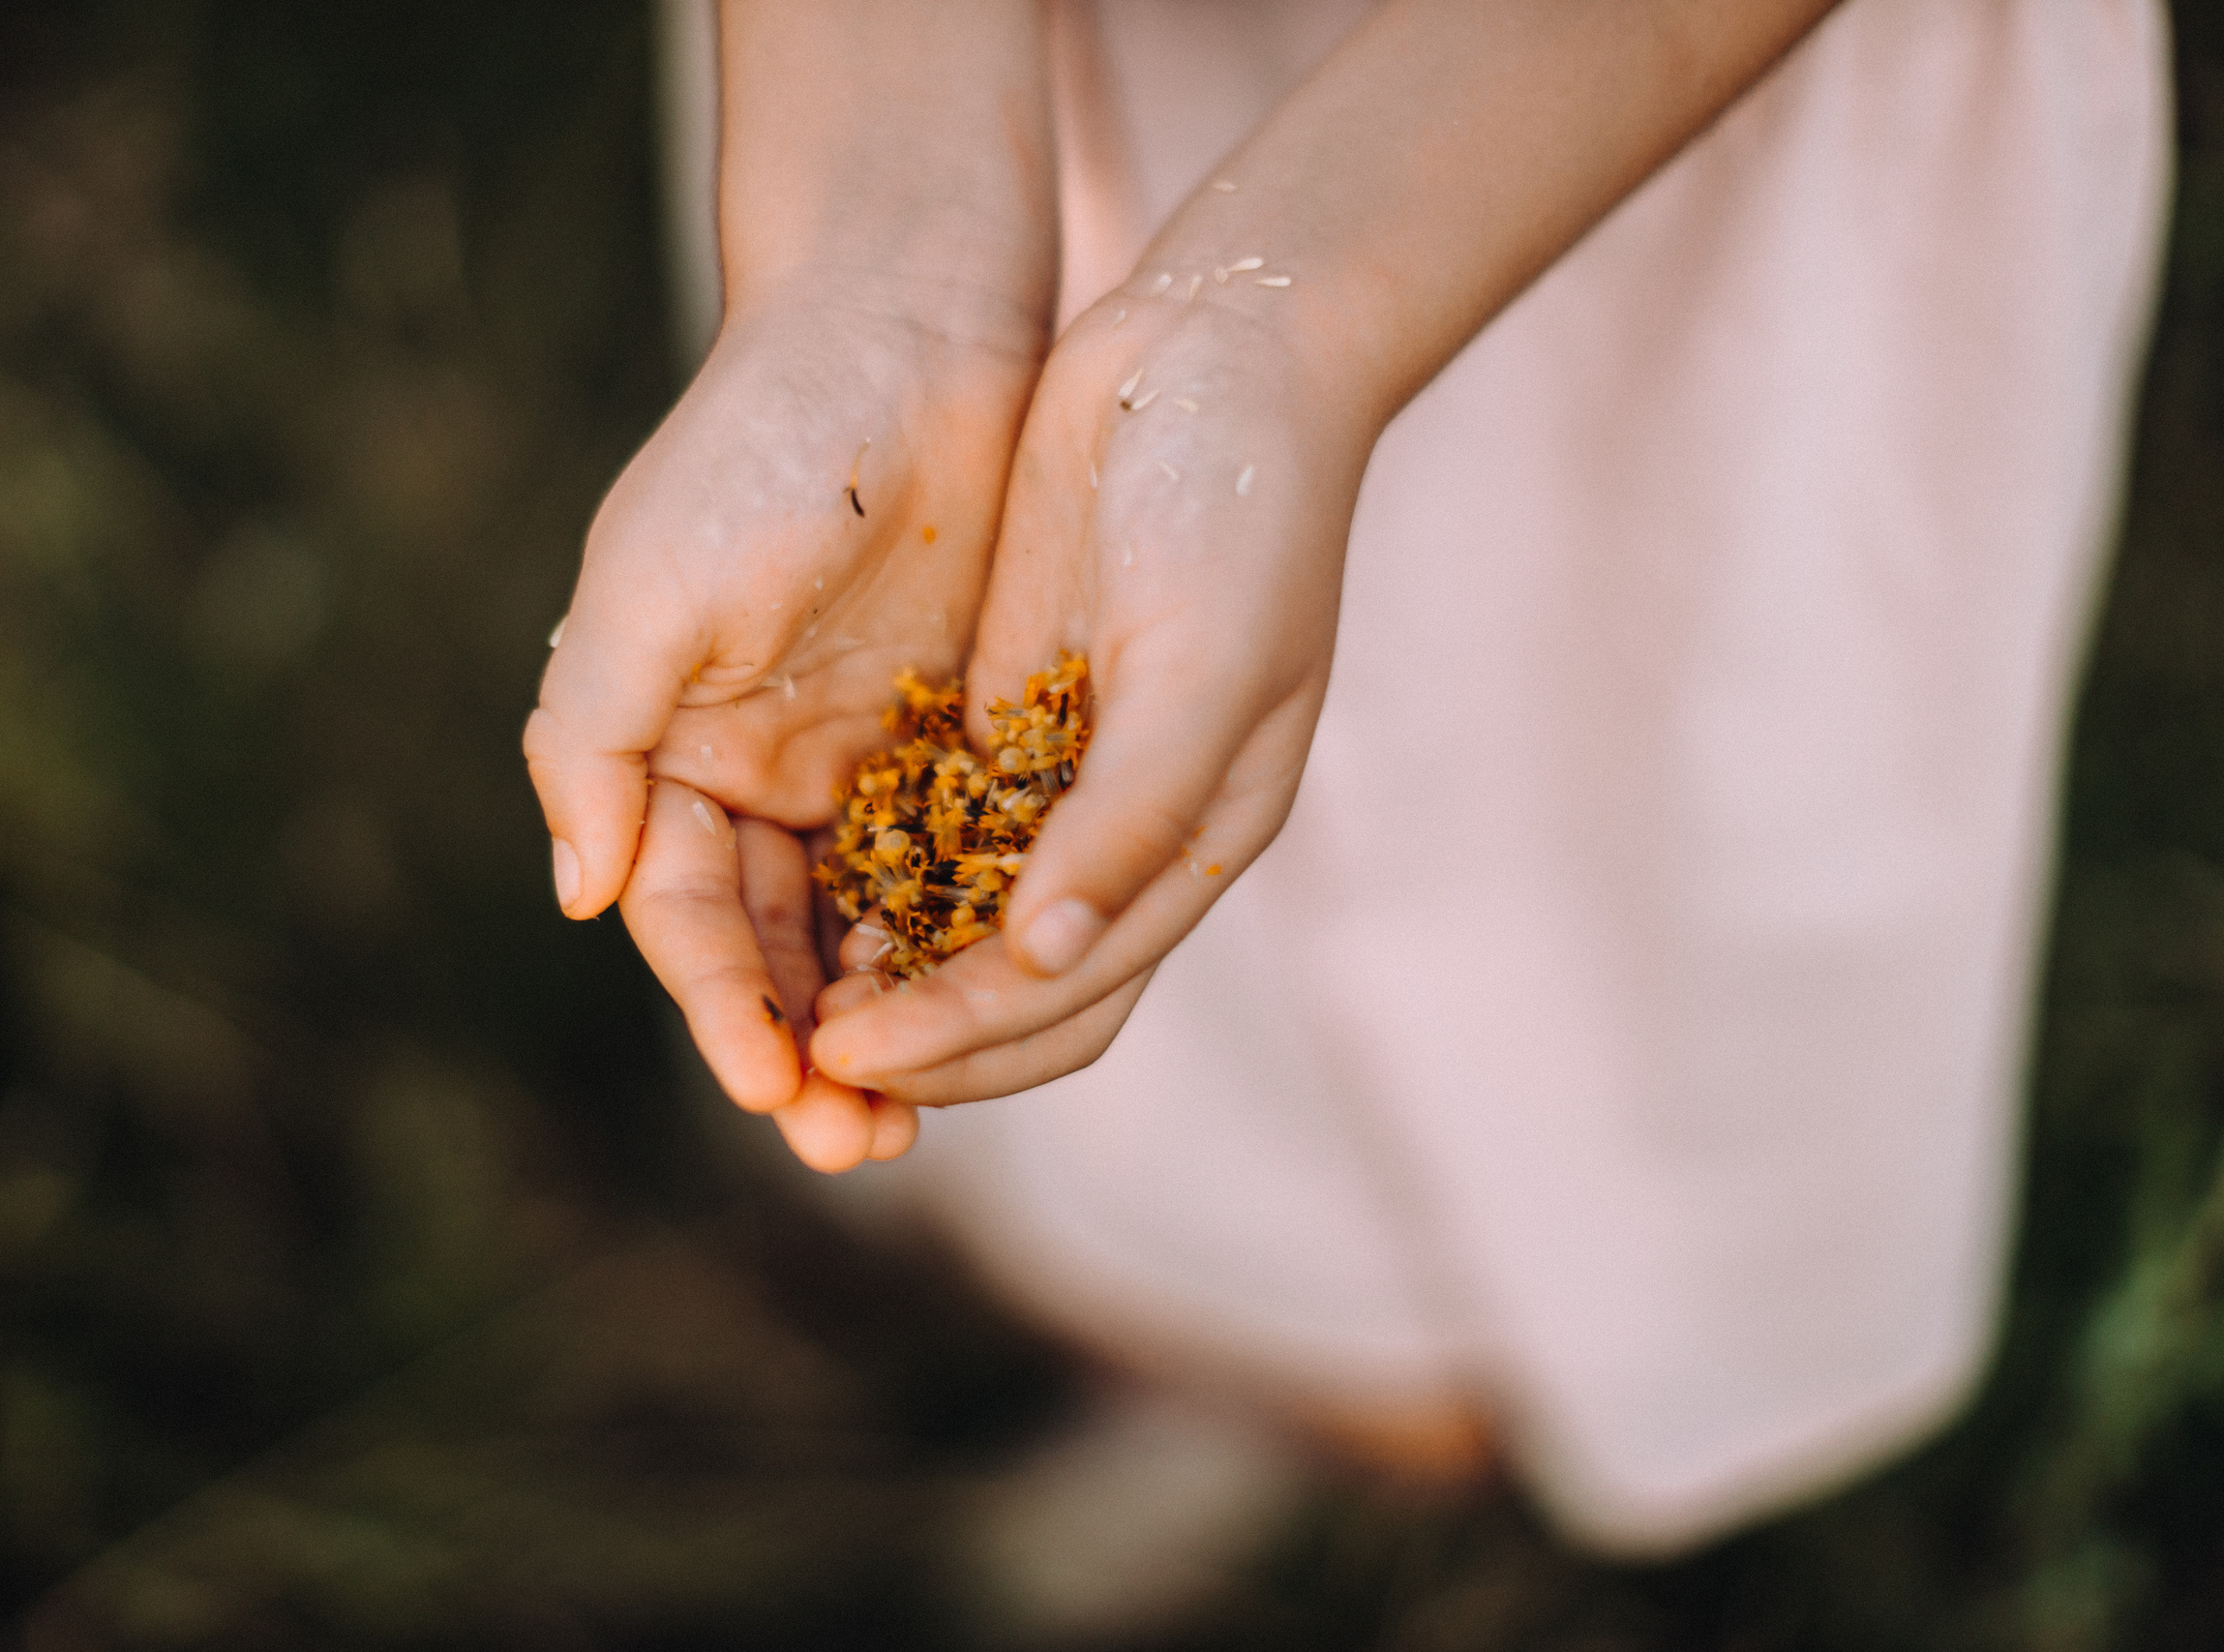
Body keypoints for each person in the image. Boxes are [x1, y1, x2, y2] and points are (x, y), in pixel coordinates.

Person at [526, 0, 2172, 1552]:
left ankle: (1403, 1382)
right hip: (986, 73)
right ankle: (1222, 1323)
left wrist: (1283, 324)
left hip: (1661, 144)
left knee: (1567, 857)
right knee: (1136, 849)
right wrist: (876, 263)